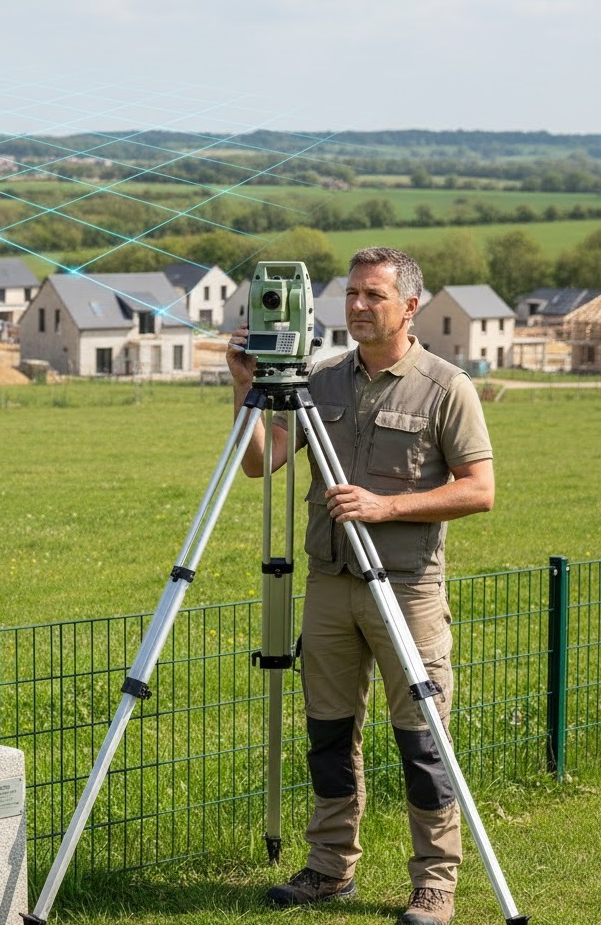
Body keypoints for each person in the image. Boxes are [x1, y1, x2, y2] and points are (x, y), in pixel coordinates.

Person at [226, 247, 495, 925]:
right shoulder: (319, 381)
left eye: (373, 295)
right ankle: (328, 867)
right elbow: (261, 463)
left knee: (422, 742)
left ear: (409, 306)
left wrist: (385, 506)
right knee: (328, 733)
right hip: (330, 582)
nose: (356, 306)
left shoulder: (445, 387)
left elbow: (479, 490)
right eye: (350, 293)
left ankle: (434, 884)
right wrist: (242, 387)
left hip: (407, 589)